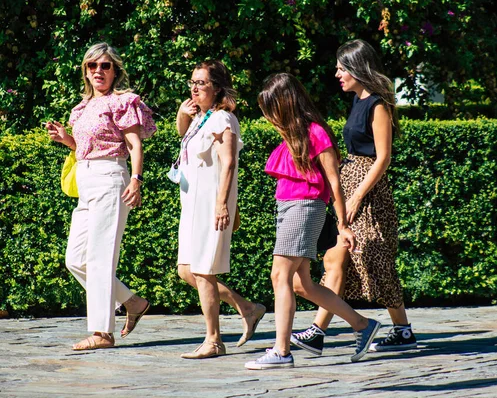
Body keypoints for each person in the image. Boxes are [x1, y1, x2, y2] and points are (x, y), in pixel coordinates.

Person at [244, 73, 381, 370]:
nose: (269, 116)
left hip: (304, 206)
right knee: (300, 283)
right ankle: (362, 324)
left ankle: (281, 352)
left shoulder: (315, 132)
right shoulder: (292, 136)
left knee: (279, 275)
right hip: (289, 207)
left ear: (285, 103)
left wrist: (343, 225)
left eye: (272, 108)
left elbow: (335, 181)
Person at [291, 39, 418, 354]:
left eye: (341, 68)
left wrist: (358, 195)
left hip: (370, 194)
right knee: (337, 257)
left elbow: (383, 157)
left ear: (357, 69)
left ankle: (402, 330)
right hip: (350, 188)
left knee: (375, 260)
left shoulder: (377, 105)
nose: (337, 74)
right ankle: (318, 331)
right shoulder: (358, 101)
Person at [47, 42, 156, 350]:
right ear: (85, 70)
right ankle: (132, 303)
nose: (98, 71)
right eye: (92, 66)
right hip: (87, 180)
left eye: (105, 66)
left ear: (115, 71)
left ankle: (101, 333)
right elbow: (84, 150)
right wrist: (66, 138)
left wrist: (136, 179)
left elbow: (134, 144)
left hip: (111, 178)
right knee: (75, 259)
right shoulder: (80, 109)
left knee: (99, 257)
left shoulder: (121, 101)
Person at [175, 60, 266, 359]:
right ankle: (247, 308)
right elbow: (183, 138)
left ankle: (213, 339)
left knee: (203, 271)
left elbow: (229, 163)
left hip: (209, 204)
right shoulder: (201, 118)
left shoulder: (223, 119)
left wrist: (222, 204)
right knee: (186, 270)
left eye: (202, 83)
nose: (195, 87)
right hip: (191, 204)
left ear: (217, 87)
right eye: (192, 82)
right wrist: (181, 114)